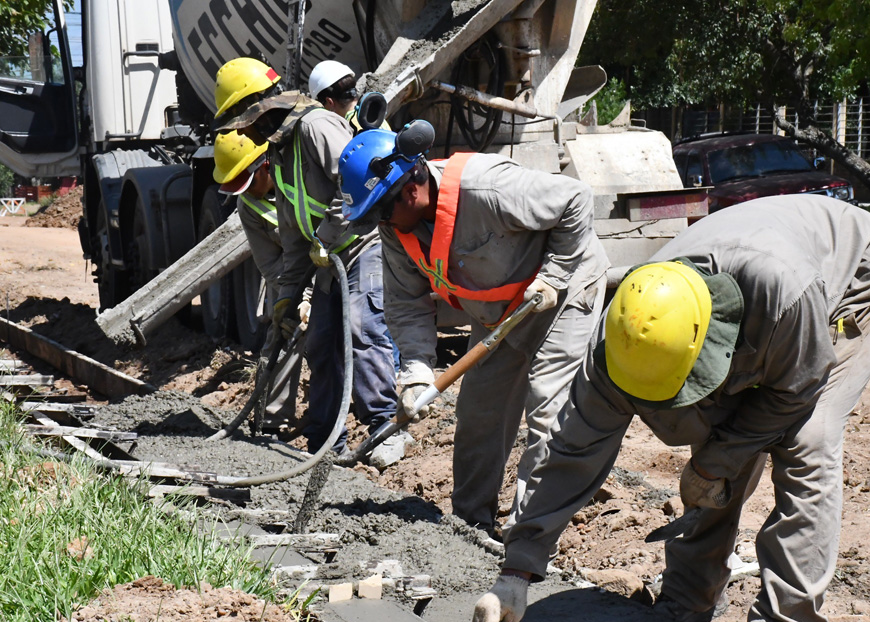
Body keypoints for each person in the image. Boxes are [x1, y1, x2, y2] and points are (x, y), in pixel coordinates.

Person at [473, 194, 870, 622]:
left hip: (850, 272)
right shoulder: (624, 337)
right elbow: (573, 451)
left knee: (807, 443)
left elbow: (796, 388)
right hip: (759, 271)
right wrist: (518, 568)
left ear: (707, 345)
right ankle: (688, 600)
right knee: (719, 442)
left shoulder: (785, 294)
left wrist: (714, 460)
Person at [337, 127, 609, 536]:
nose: (381, 225)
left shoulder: (487, 187)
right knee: (480, 413)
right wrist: (415, 371)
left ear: (409, 191)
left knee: (547, 409)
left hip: (561, 294)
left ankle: (528, 538)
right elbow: (405, 304)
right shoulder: (398, 231)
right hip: (499, 309)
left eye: (380, 212)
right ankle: (469, 527)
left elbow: (575, 199)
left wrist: (554, 276)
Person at [214, 57, 400, 456]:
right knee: (319, 343)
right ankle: (325, 441)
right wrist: (286, 295)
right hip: (328, 255)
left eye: (247, 122)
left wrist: (328, 237)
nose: (247, 131)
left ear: (264, 108)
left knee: (361, 327)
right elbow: (296, 239)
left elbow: (358, 182)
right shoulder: (281, 153)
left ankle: (384, 425)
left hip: (361, 242)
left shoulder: (315, 126)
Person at [212, 130, 304, 436]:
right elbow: (271, 265)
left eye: (248, 185)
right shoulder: (248, 207)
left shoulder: (301, 175)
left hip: (334, 260)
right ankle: (269, 420)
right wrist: (294, 299)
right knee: (285, 332)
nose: (247, 194)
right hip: (293, 275)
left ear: (265, 164)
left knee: (348, 334)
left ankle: (359, 415)